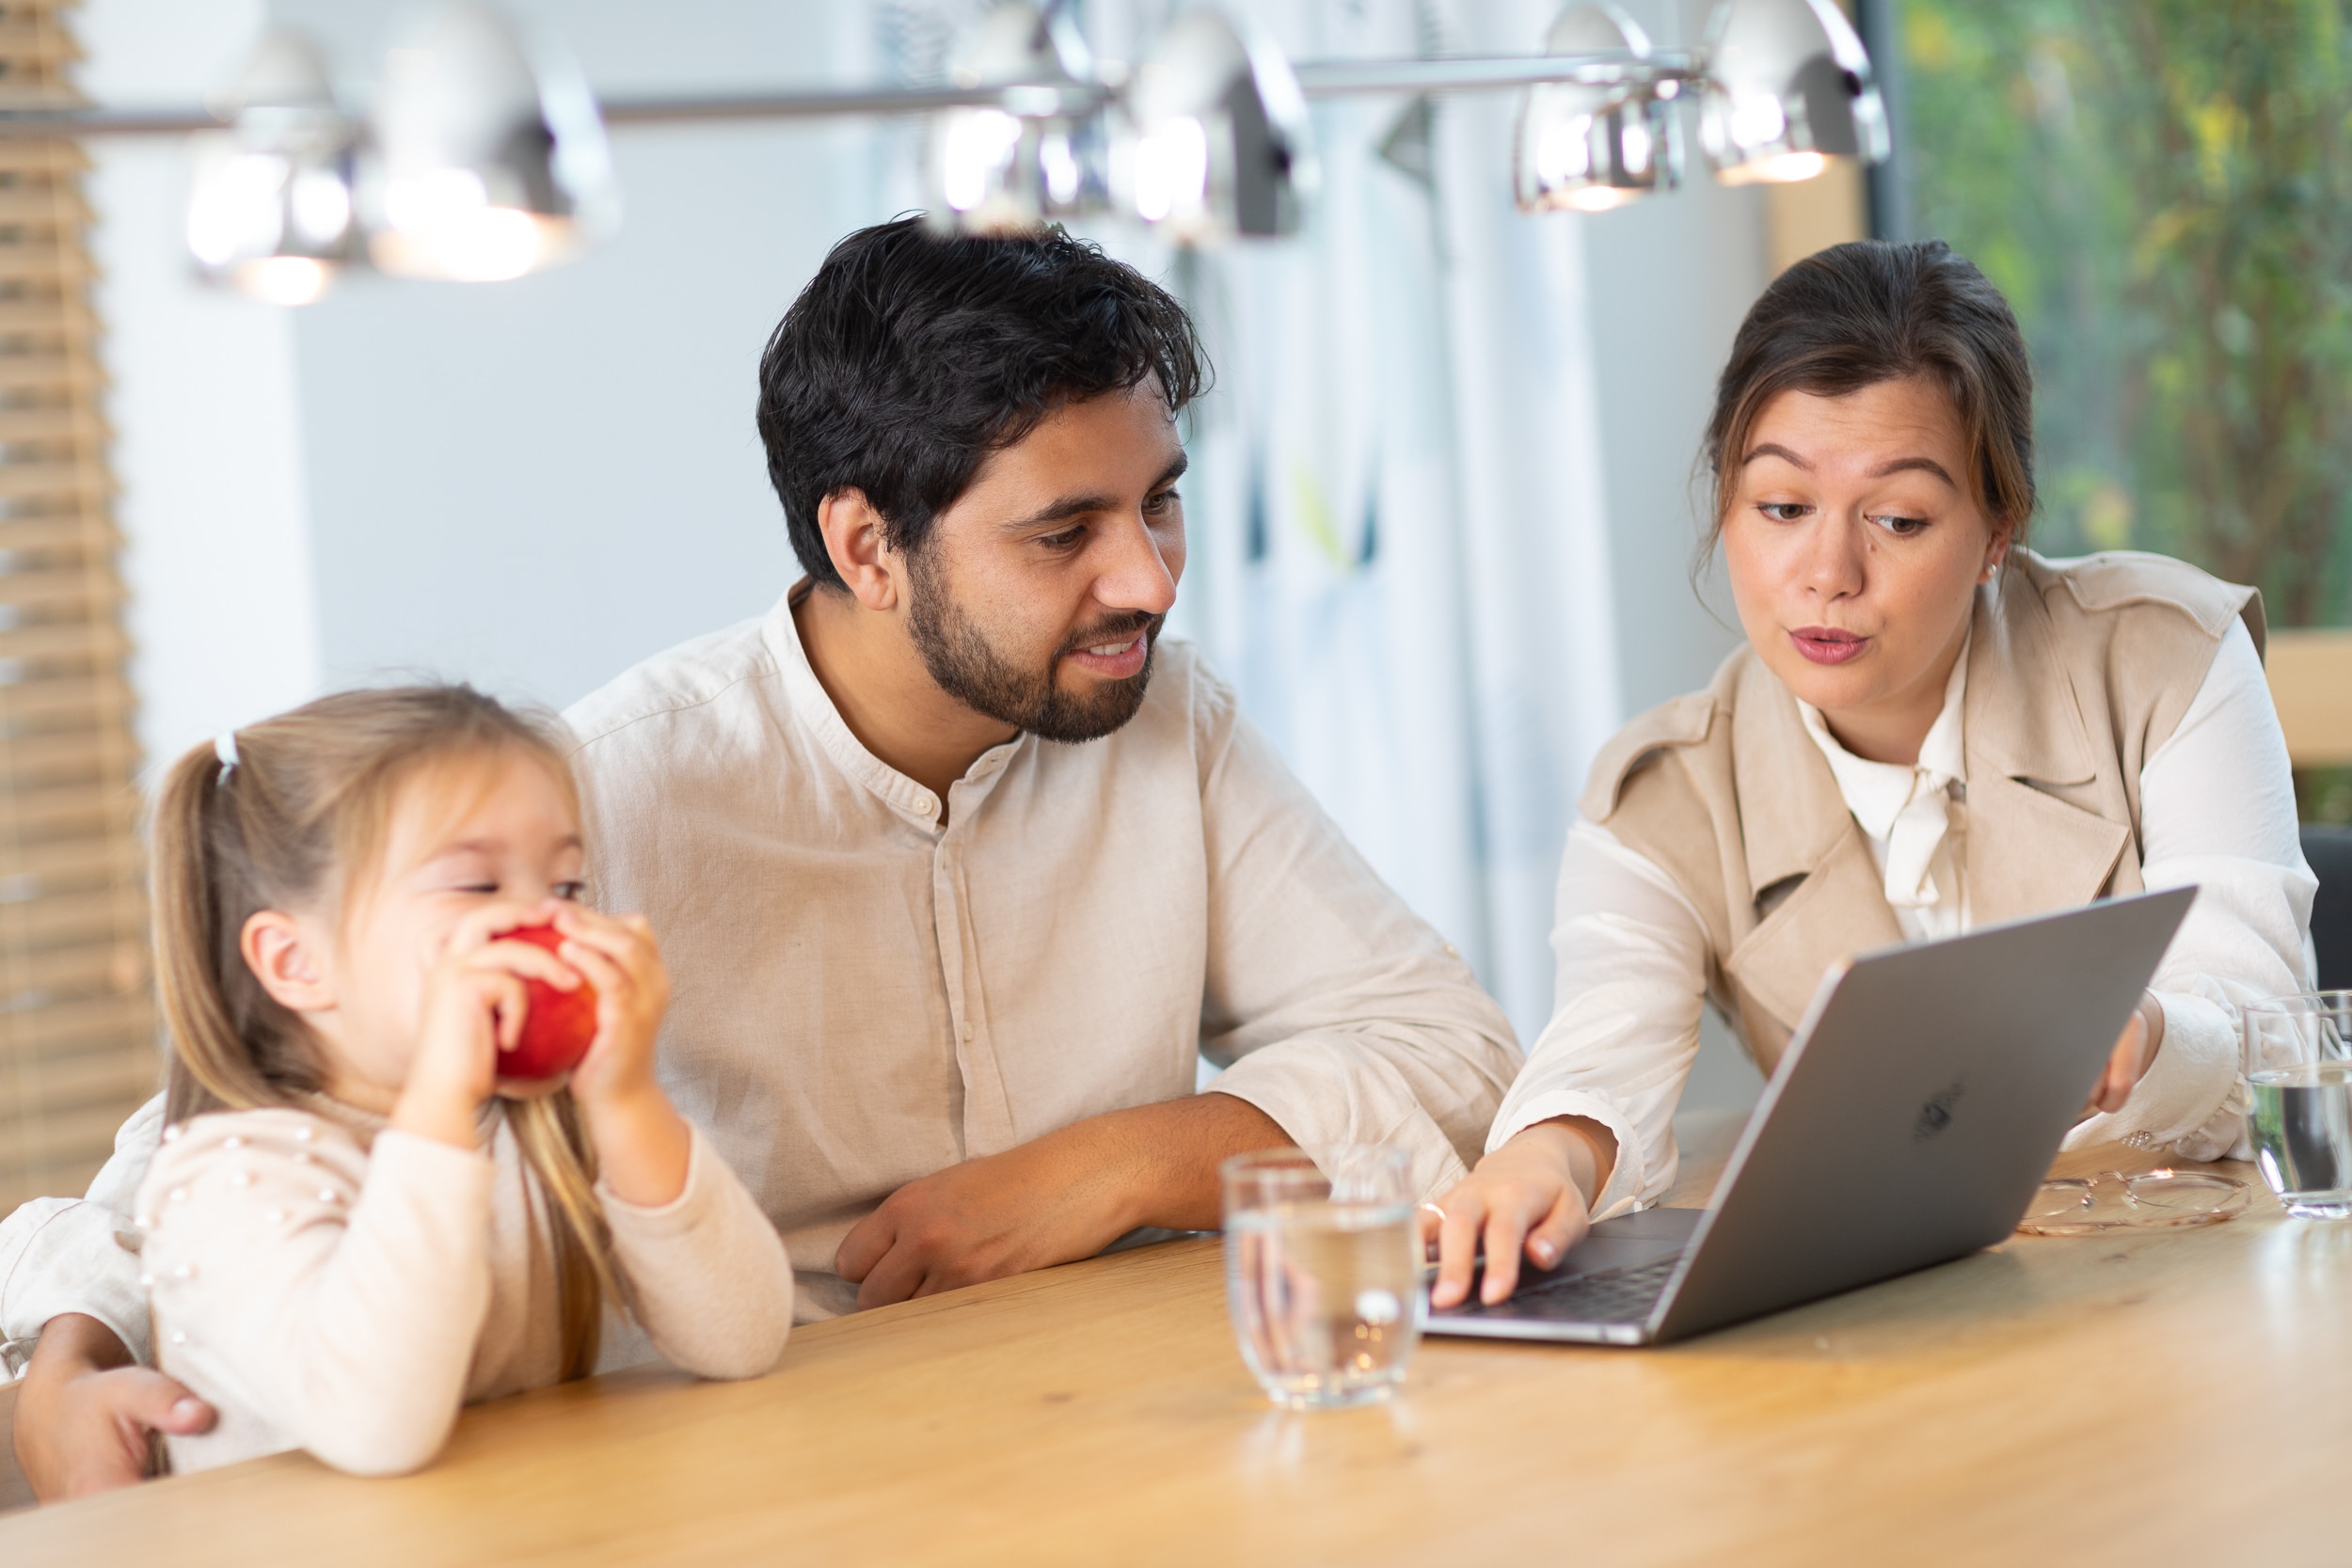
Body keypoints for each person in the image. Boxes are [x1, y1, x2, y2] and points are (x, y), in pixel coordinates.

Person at [4, 217, 1518, 1495]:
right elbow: (246, 1107)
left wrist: (1121, 1162)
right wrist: (65, 1350)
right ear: (865, 545)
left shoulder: (1159, 720)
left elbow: (1453, 1050)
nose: (1149, 578)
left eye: (1162, 500)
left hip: (1126, 1424)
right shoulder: (606, 796)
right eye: (1067, 532)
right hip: (764, 1468)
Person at [1428, 238, 2316, 1308]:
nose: (1827, 574)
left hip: (2198, 1287)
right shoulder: (1664, 794)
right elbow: (1602, 1046)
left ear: (1998, 526)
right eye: (1780, 507)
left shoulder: (2165, 657)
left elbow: (2276, 1036)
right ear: (1724, 504)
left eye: (1897, 519)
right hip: (1904, 1323)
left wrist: (2149, 1031)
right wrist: (1542, 1157)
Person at [132, 687, 792, 1476]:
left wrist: (626, 1099)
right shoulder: (228, 1178)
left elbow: (743, 1337)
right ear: (295, 962)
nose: (548, 924)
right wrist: (438, 1098)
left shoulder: (536, 1128)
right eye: (477, 887)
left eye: (565, 887)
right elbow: (380, 1426)